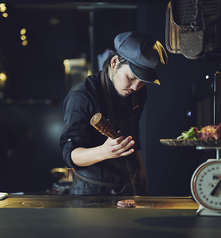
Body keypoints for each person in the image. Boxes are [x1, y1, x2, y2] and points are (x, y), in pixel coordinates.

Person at [60, 31, 168, 196]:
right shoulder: (82, 96)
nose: (135, 87)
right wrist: (103, 152)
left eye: (142, 82)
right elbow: (70, 155)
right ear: (114, 62)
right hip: (90, 191)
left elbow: (133, 133)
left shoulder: (138, 92)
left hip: (127, 185)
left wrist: (141, 168)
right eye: (131, 78)